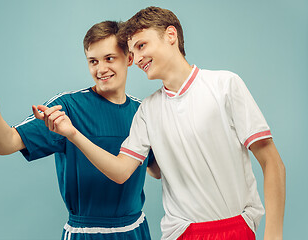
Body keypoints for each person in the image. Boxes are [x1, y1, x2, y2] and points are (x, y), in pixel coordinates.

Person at [31, 7, 286, 240]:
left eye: (142, 46)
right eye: (132, 52)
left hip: (235, 227)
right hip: (180, 233)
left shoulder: (225, 85)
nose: (138, 58)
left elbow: (271, 161)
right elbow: (121, 171)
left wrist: (273, 236)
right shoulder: (147, 110)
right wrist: (73, 133)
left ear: (171, 35)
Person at [0, 21, 158, 240]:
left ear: (130, 59)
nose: (101, 69)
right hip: (85, 233)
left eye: (109, 58)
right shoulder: (67, 107)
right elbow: (6, 143)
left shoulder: (142, 112)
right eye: (93, 61)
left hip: (135, 231)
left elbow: (156, 169)